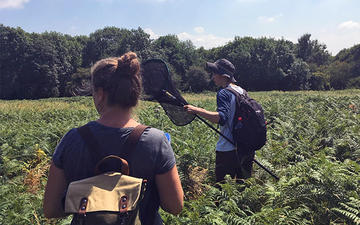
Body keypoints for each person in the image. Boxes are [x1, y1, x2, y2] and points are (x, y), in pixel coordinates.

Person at [43, 52, 184, 225]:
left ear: (100, 93)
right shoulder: (156, 141)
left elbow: (51, 209)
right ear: (135, 92)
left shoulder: (72, 139)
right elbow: (175, 206)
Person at [184, 58, 254, 183]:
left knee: (221, 191)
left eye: (214, 73)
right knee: (242, 189)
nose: (213, 77)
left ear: (224, 76)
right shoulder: (242, 91)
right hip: (245, 148)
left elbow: (221, 118)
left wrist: (197, 110)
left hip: (227, 150)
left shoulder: (223, 93)